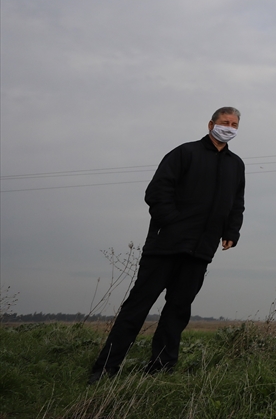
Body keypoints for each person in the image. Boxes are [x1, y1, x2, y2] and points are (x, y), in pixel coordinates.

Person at [89, 108, 246, 382]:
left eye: (234, 124)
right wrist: (173, 222)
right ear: (211, 124)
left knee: (177, 312)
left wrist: (232, 230)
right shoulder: (185, 153)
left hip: (200, 251)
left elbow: (236, 203)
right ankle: (105, 370)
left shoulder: (236, 165)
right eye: (224, 123)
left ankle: (161, 369)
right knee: (137, 308)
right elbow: (157, 191)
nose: (229, 127)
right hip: (166, 246)